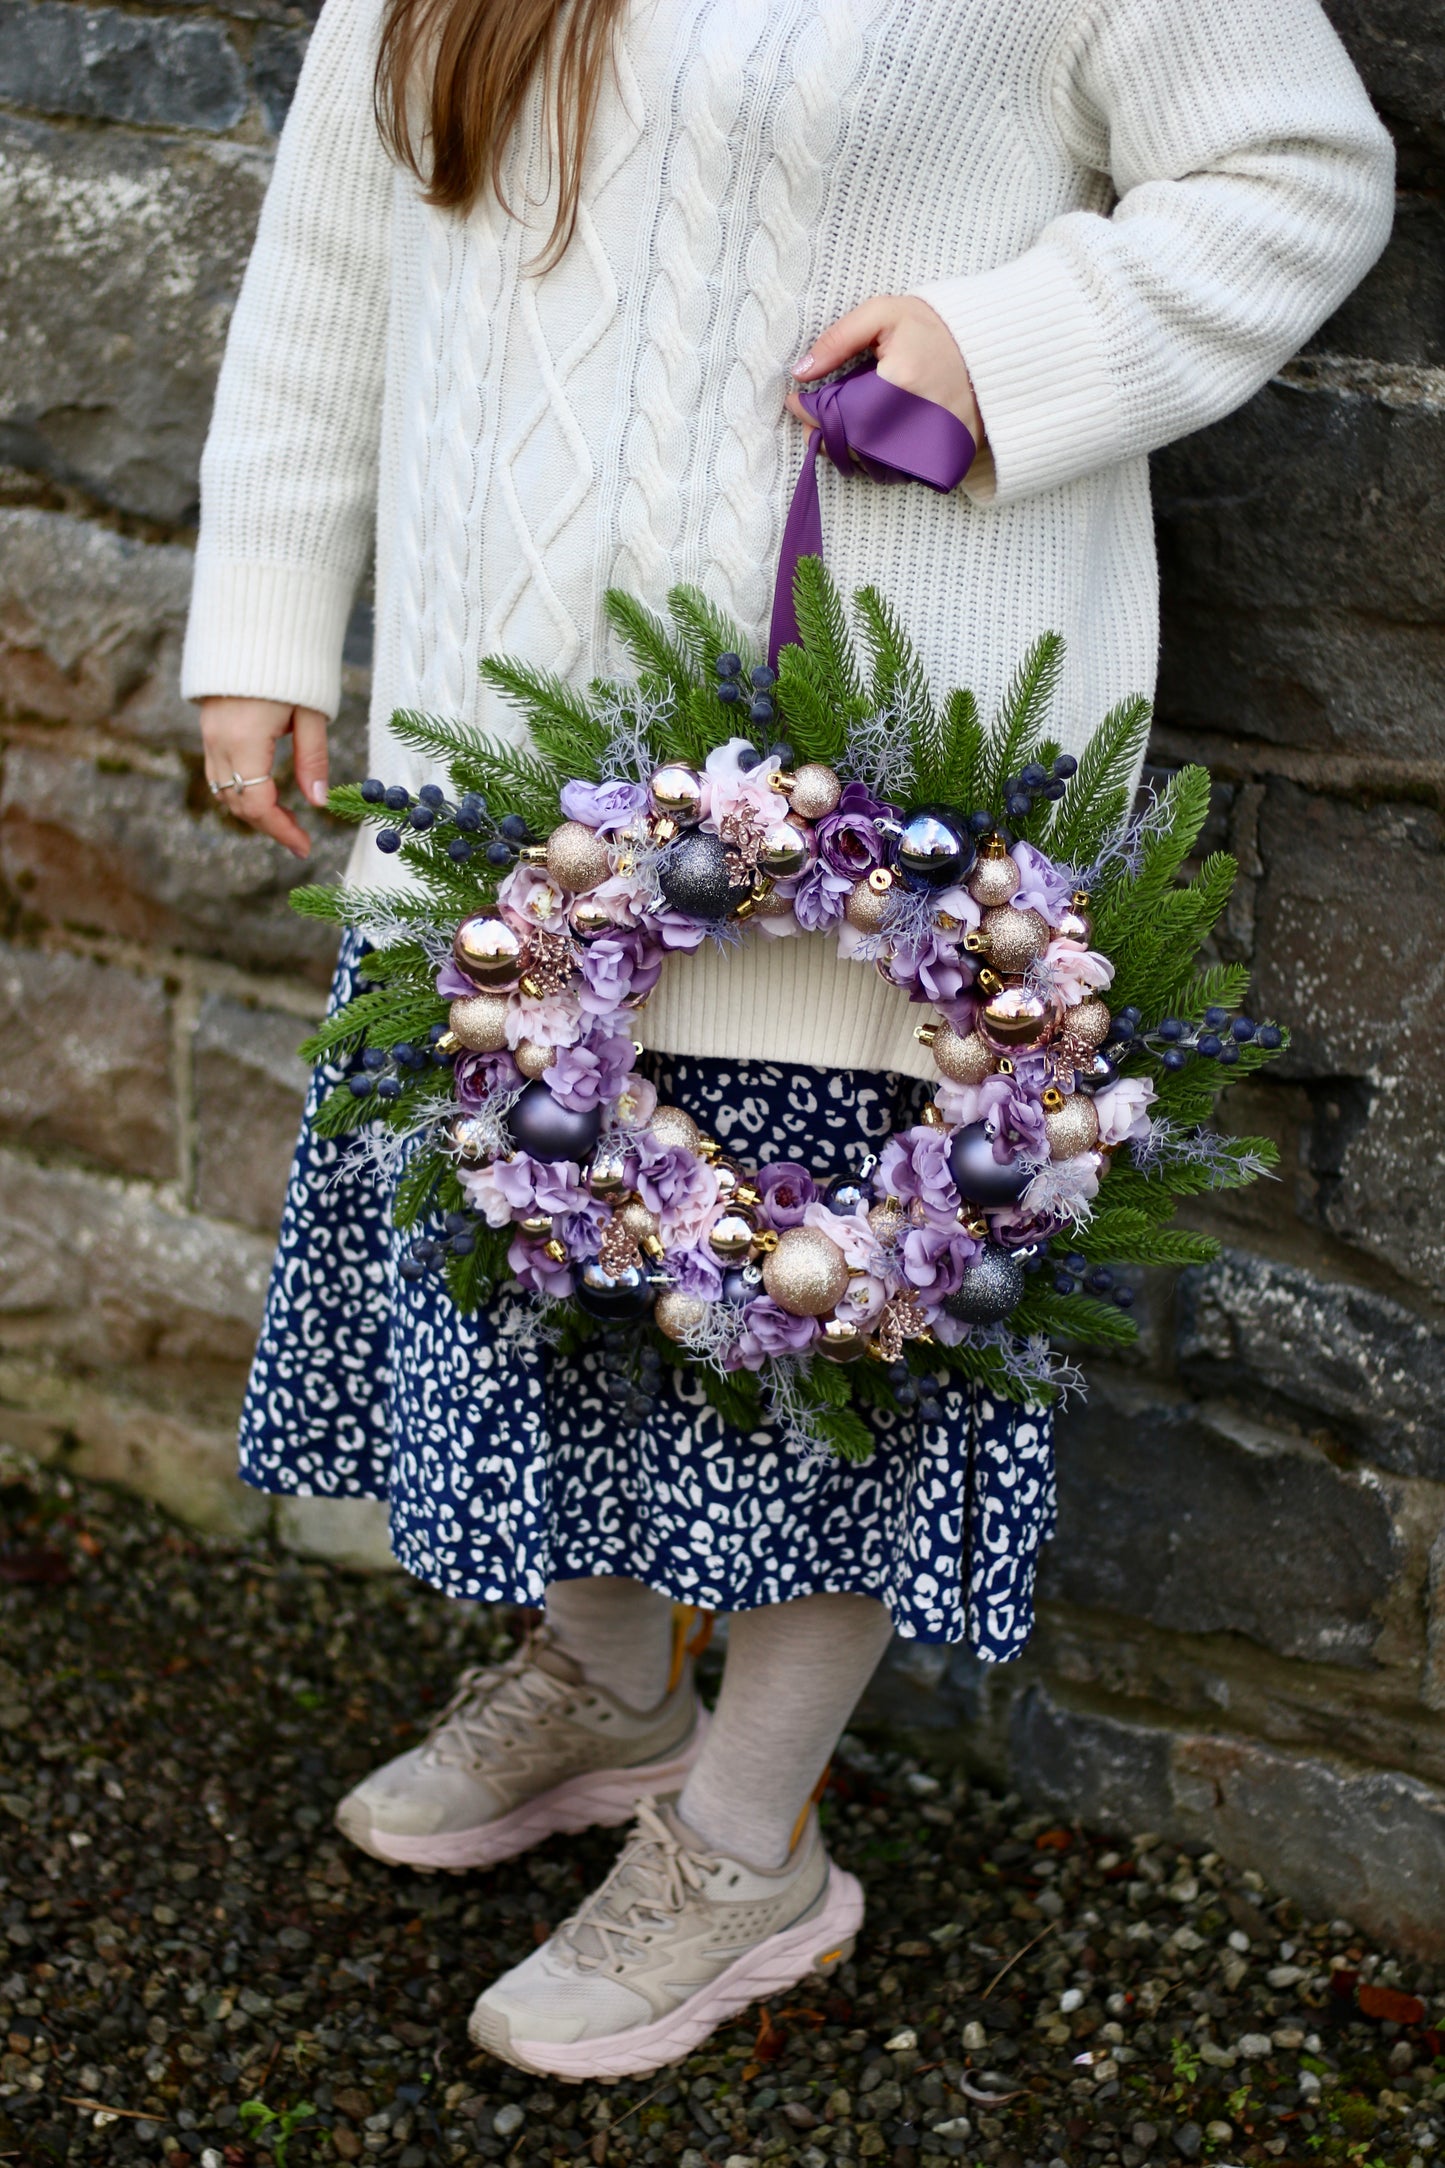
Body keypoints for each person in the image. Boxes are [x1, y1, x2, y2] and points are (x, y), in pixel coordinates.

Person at [183, 0, 1393, 2081]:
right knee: (537, 1254)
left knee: (836, 1312)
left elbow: (1297, 171)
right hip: (507, 784)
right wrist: (267, 618)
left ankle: (746, 1849)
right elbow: (338, 245)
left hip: (879, 797)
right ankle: (605, 1685)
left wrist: (1004, 345)